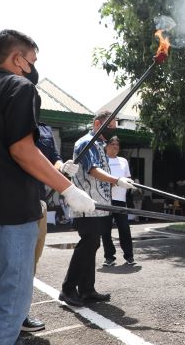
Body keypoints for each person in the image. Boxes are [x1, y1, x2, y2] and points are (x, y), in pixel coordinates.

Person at [0, 29, 94, 345]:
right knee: (8, 305)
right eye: (32, 60)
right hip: (8, 216)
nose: (34, 68)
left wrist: (56, 169)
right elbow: (21, 149)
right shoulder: (19, 88)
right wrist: (68, 189)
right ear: (17, 59)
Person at [60, 111, 136, 307]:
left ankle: (87, 289)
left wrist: (115, 182)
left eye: (115, 126)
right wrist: (117, 180)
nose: (113, 130)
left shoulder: (100, 145)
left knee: (93, 245)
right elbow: (93, 169)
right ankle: (68, 289)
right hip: (86, 203)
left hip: (100, 205)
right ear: (97, 124)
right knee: (89, 242)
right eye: (110, 125)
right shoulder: (86, 142)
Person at [20, 122, 80, 333]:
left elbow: (53, 158)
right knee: (12, 263)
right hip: (12, 204)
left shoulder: (45, 130)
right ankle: (7, 318)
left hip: (38, 202)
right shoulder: (10, 118)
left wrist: (62, 167)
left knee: (31, 262)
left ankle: (20, 313)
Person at [101, 136, 136, 266]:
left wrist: (130, 182)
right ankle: (109, 257)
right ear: (106, 146)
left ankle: (129, 256)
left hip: (120, 200)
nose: (115, 146)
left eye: (117, 144)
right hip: (105, 200)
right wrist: (112, 183)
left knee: (125, 229)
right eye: (112, 144)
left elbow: (128, 177)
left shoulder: (123, 161)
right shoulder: (102, 160)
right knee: (105, 230)